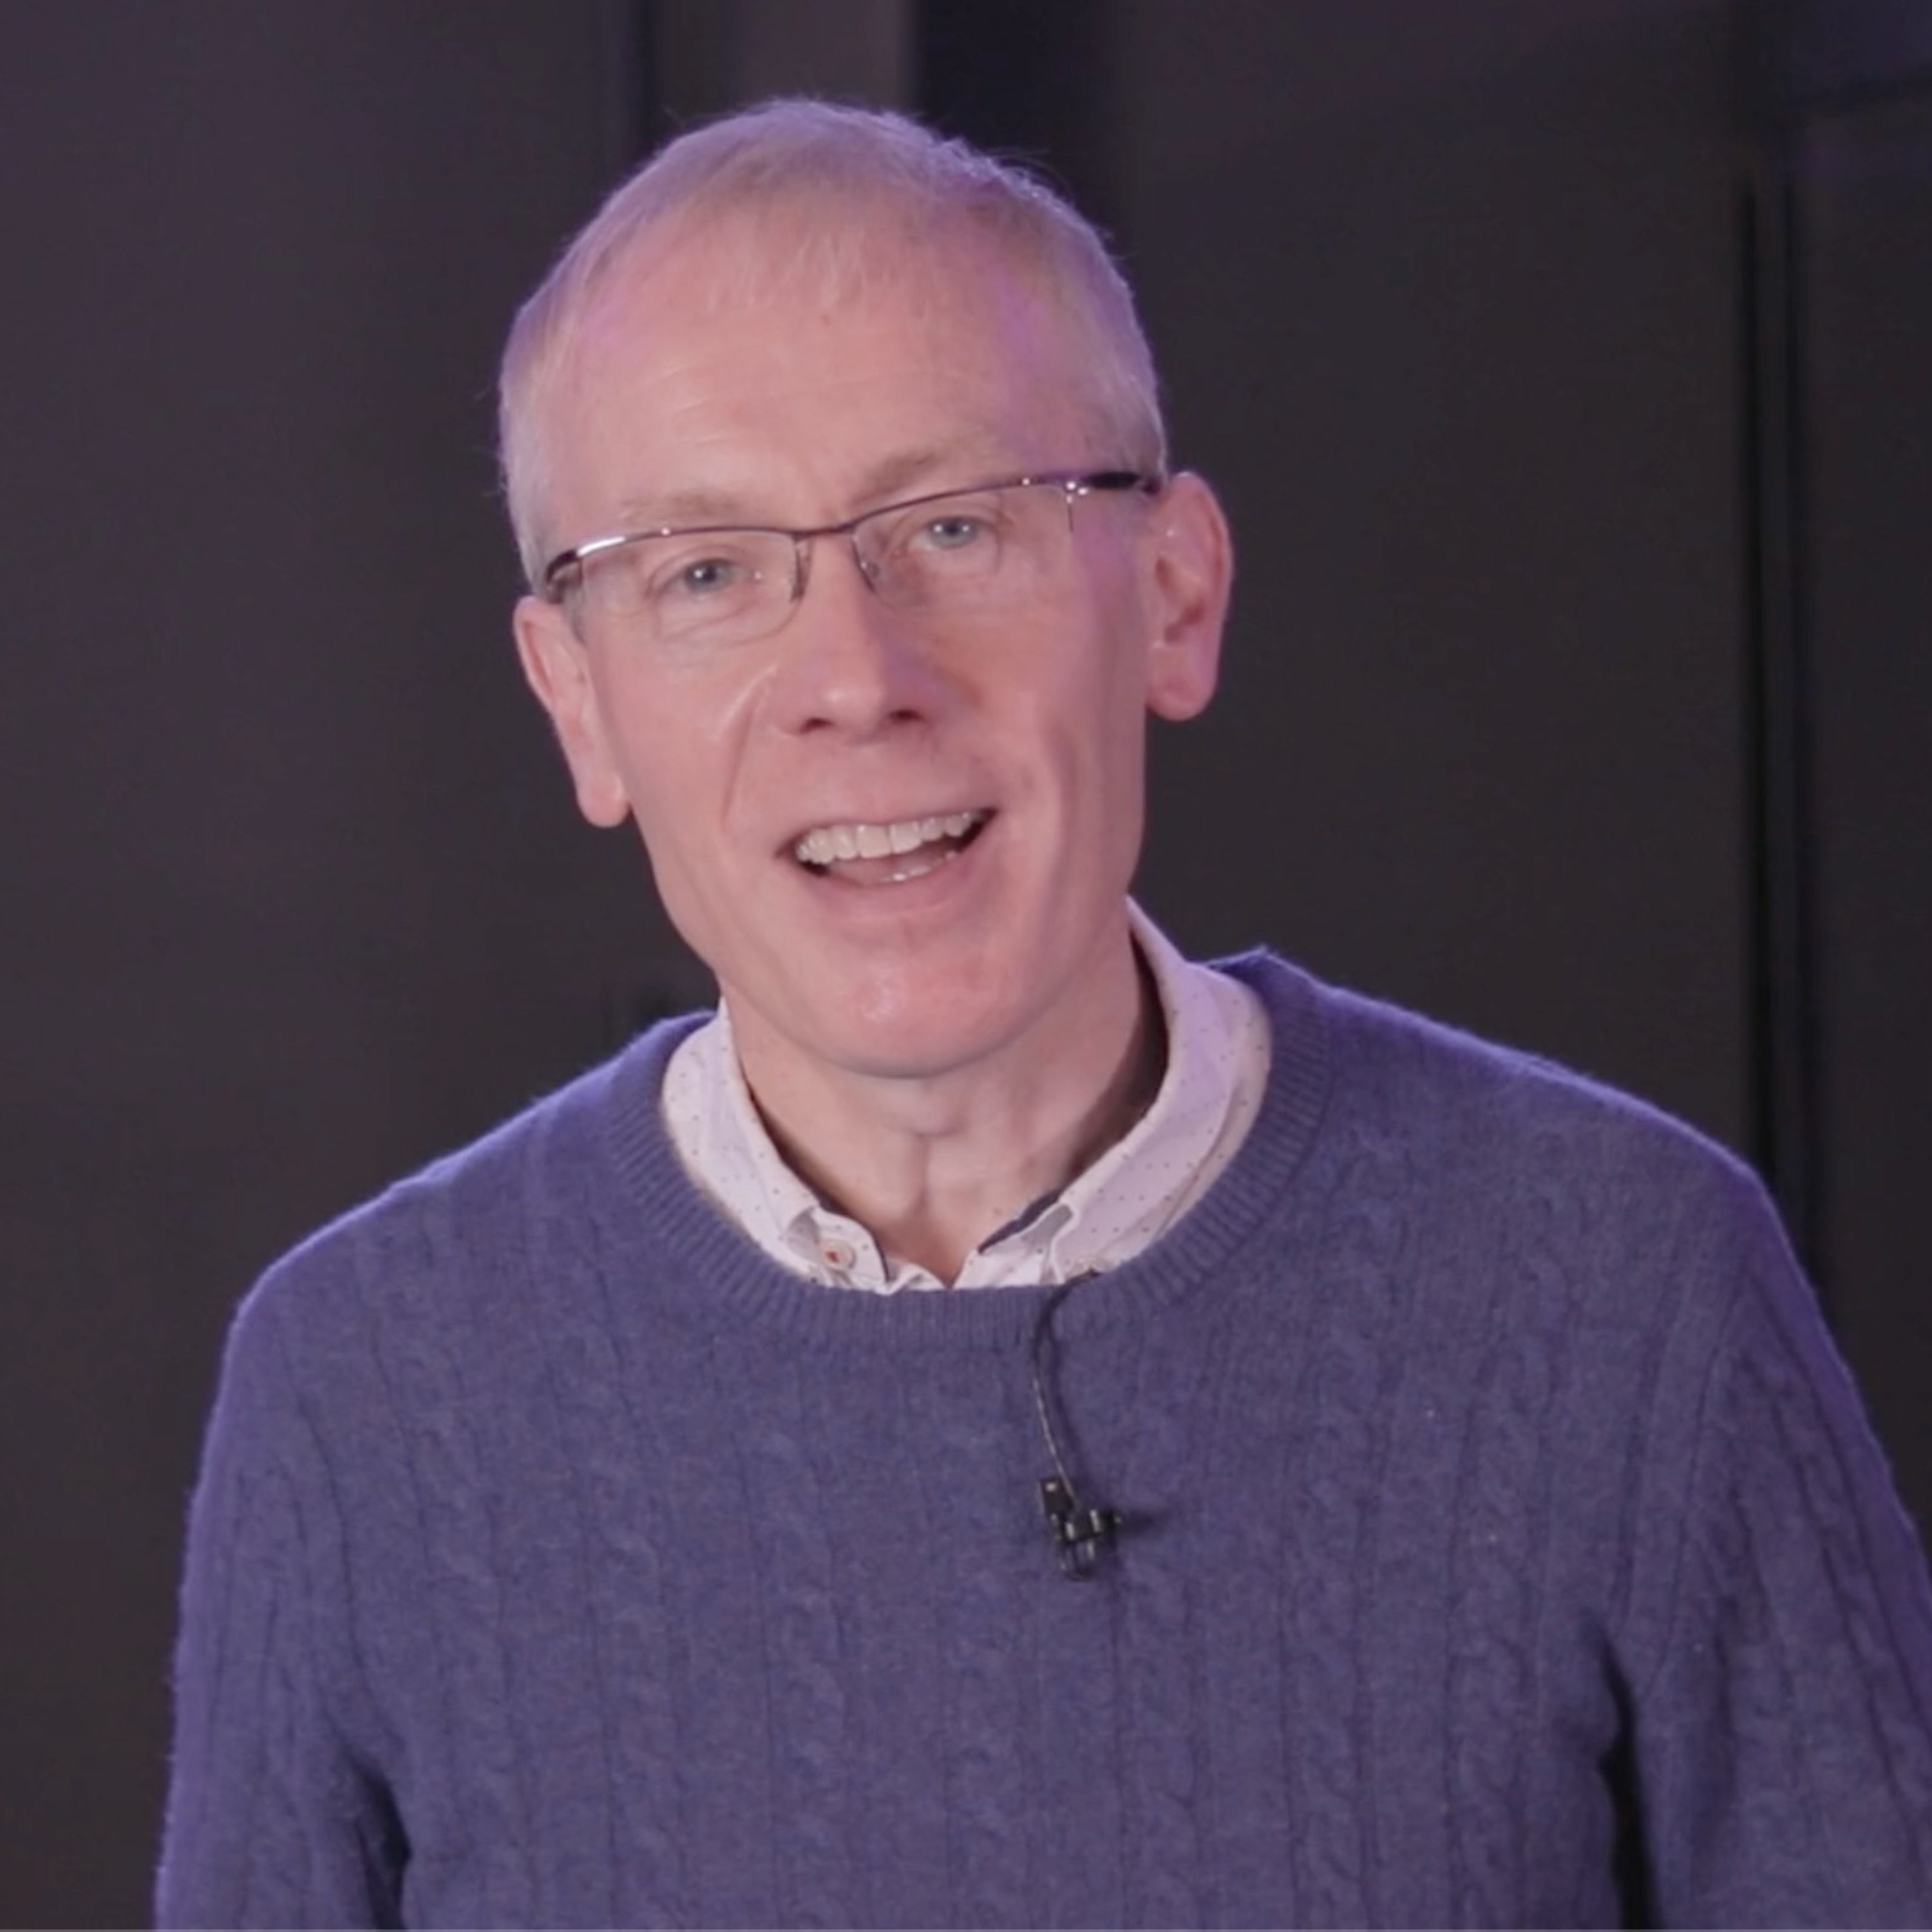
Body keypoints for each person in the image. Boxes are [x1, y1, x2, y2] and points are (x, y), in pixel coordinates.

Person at [157, 100, 1932, 1928]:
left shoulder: (1627, 1287)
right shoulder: (360, 1396)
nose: (856, 678)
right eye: (705, 574)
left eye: (954, 527)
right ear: (580, 705)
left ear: (1174, 596)